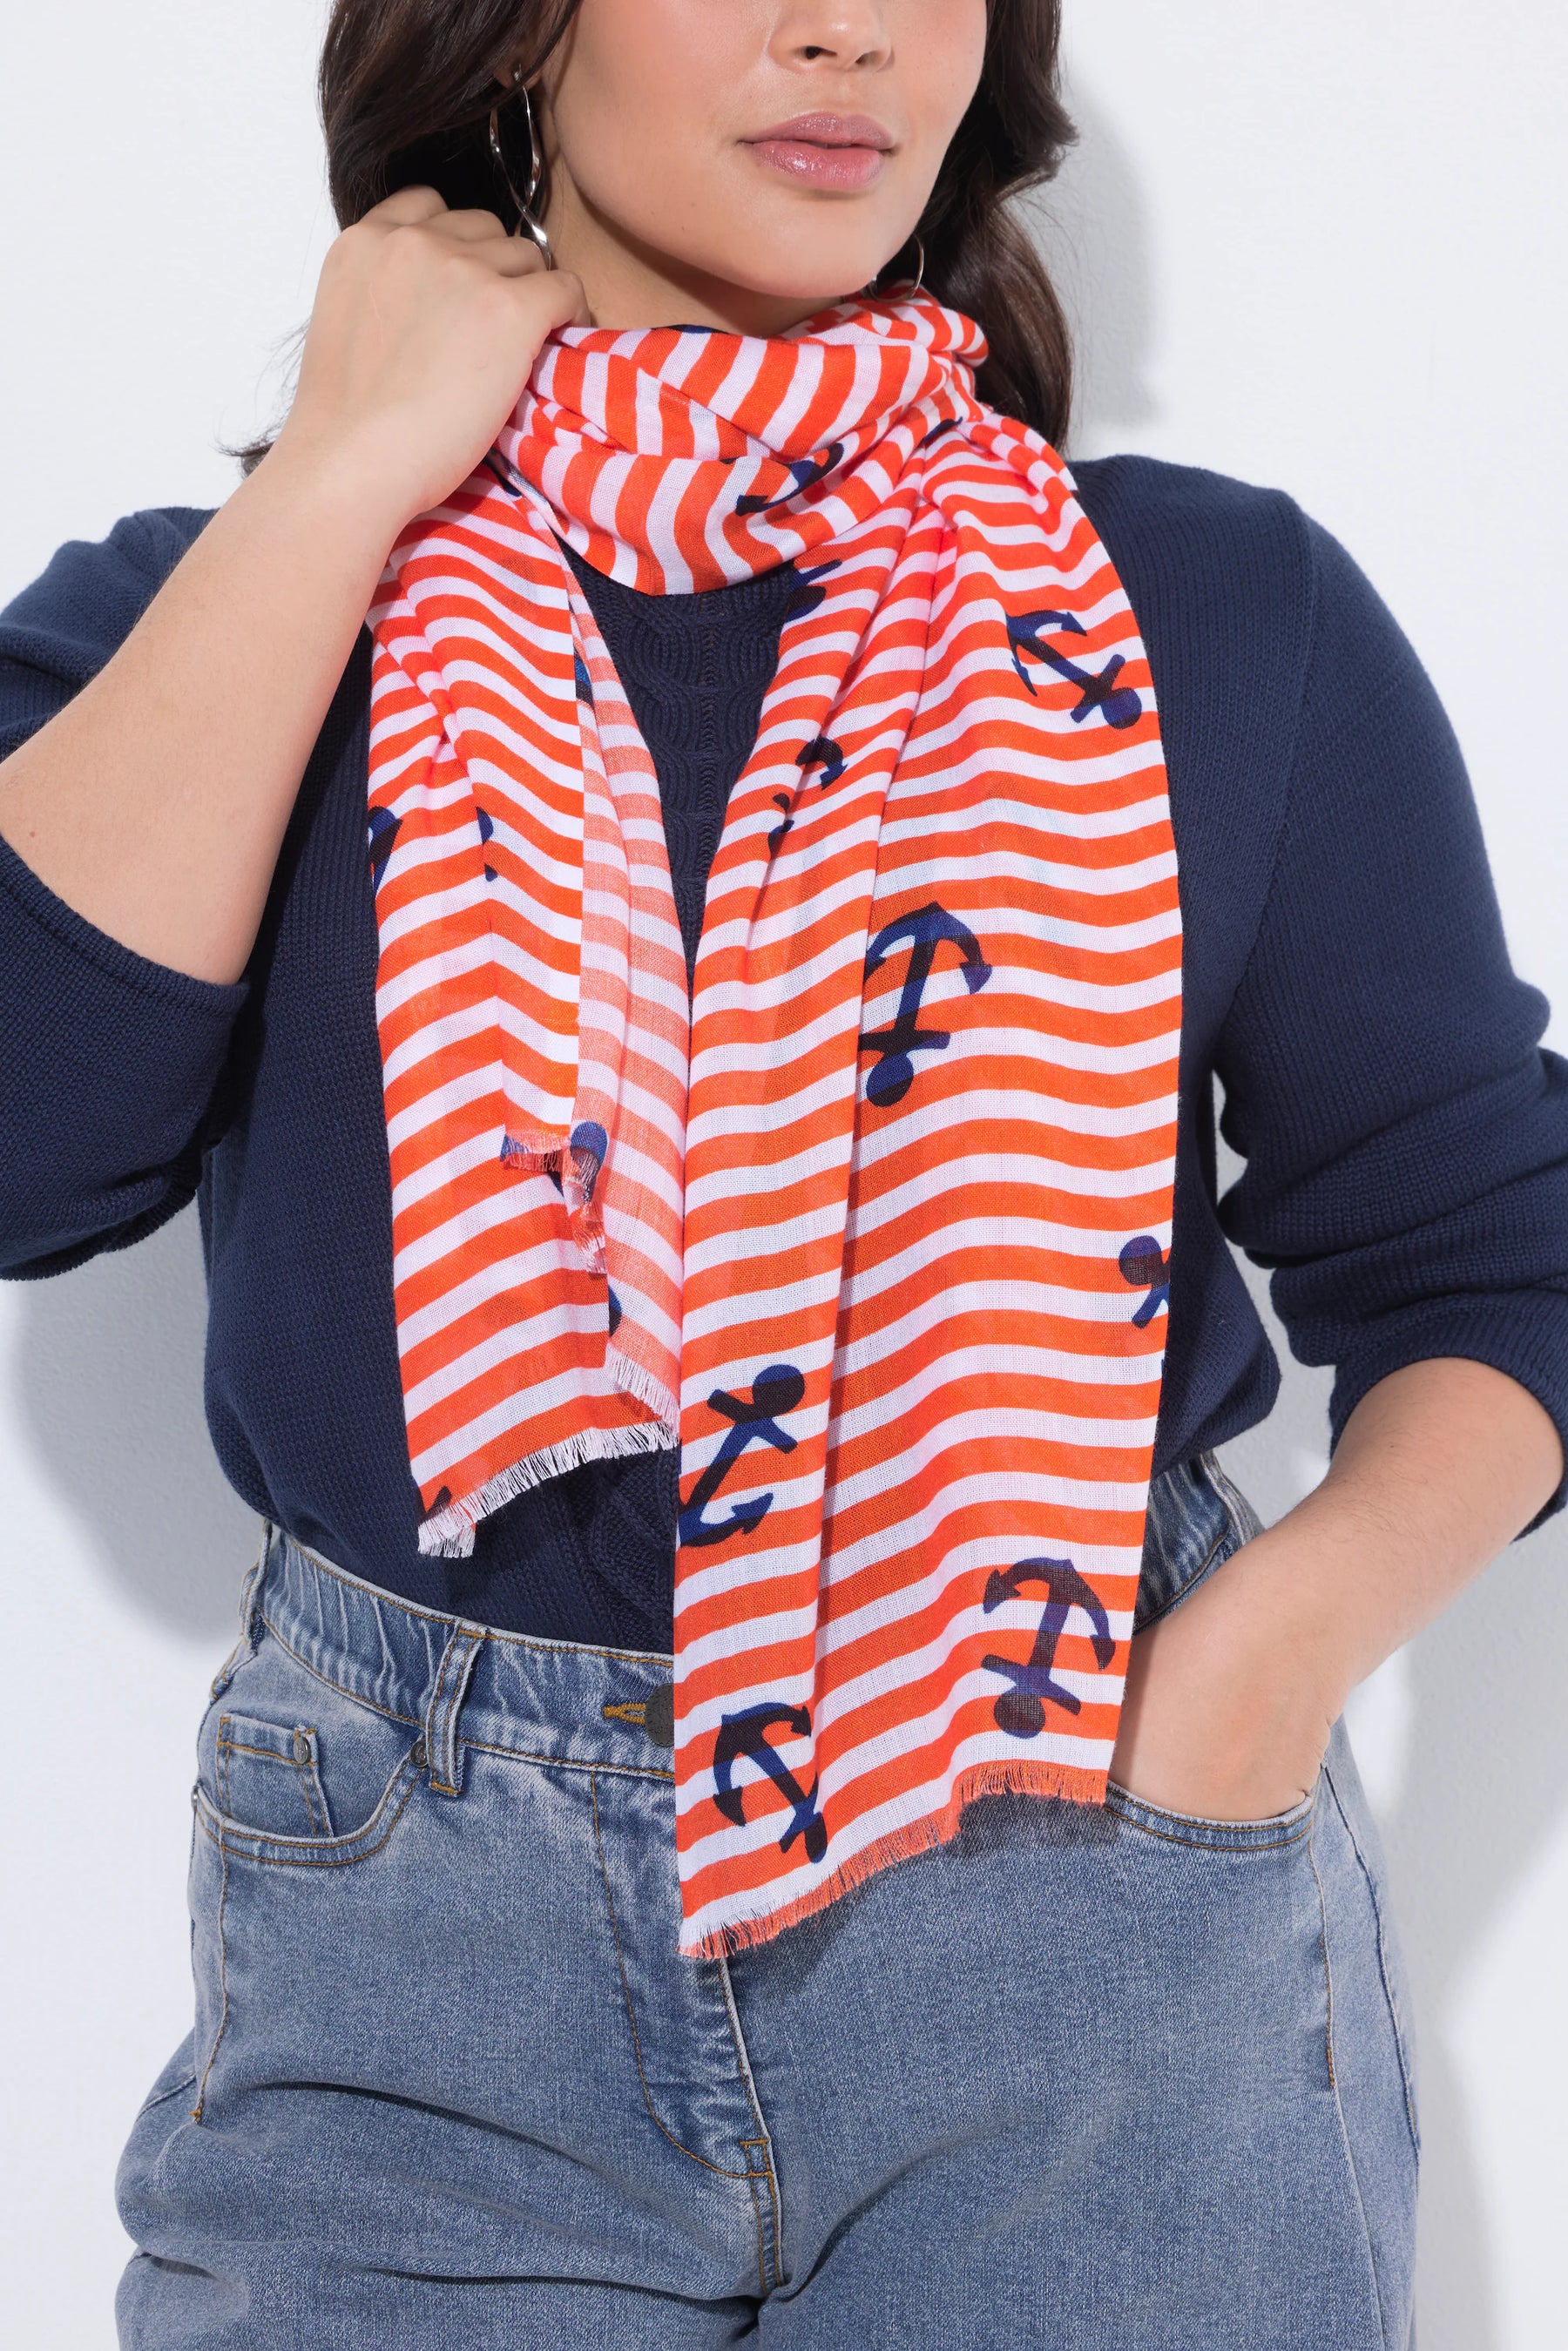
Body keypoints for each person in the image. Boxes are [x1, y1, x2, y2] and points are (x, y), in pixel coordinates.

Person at [2, 2, 1565, 2343]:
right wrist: (338, 473)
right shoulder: (237, 617)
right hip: (417, 1976)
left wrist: (1238, 1681)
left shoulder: (1207, 619)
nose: (846, 22)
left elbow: (1493, 1259)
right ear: (515, 33)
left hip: (1072, 1870)